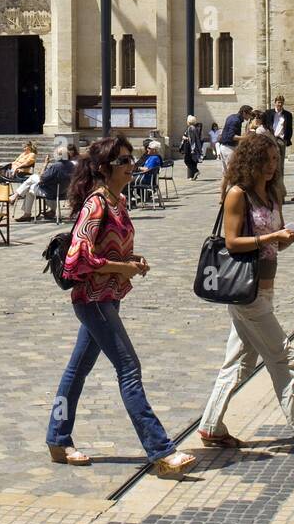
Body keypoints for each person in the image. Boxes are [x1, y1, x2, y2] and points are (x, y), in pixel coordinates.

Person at [45, 136, 196, 478]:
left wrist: (130, 259)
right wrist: (123, 267)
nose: (131, 166)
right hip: (93, 299)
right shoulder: (95, 204)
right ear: (103, 169)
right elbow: (79, 258)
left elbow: (111, 249)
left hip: (108, 296)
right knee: (129, 368)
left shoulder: (118, 200)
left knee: (76, 371)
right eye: (123, 162)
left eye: (132, 159)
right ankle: (161, 450)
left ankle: (57, 437)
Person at [198, 133, 294, 460]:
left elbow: (275, 242)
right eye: (267, 160)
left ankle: (210, 426)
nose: (273, 166)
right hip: (245, 292)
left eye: (276, 160)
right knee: (284, 358)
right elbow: (232, 242)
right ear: (252, 161)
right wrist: (274, 235)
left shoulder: (272, 193)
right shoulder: (238, 194)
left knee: (240, 361)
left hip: (265, 286)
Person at [218, 105, 253, 172]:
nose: (250, 116)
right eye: (250, 114)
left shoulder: (232, 117)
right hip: (228, 148)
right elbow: (232, 136)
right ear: (244, 113)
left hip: (225, 147)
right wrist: (246, 137)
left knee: (226, 172)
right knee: (232, 171)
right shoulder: (236, 121)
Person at [270, 95, 293, 173]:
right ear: (275, 102)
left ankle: (280, 181)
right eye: (278, 102)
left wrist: (287, 139)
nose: (280, 104)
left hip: (281, 140)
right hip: (270, 139)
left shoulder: (287, 115)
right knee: (270, 160)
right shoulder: (268, 113)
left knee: (280, 163)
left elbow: (289, 128)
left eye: (281, 102)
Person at [179, 116, 204, 181]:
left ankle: (196, 171)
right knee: (193, 161)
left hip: (189, 147)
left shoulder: (191, 128)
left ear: (189, 121)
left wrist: (185, 138)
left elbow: (191, 139)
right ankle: (194, 176)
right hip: (193, 147)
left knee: (186, 160)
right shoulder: (194, 128)